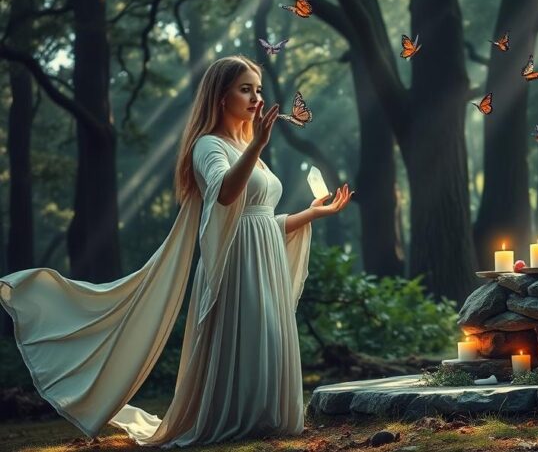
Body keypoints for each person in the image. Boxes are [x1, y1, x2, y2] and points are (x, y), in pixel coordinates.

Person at [0, 55, 353, 447]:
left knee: (268, 340)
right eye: (245, 89)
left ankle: (265, 419)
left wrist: (311, 213)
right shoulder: (208, 145)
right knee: (247, 342)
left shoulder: (246, 146)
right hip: (234, 264)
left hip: (264, 261)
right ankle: (234, 421)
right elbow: (224, 195)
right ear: (221, 96)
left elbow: (262, 221)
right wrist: (257, 145)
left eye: (257, 89)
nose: (256, 98)